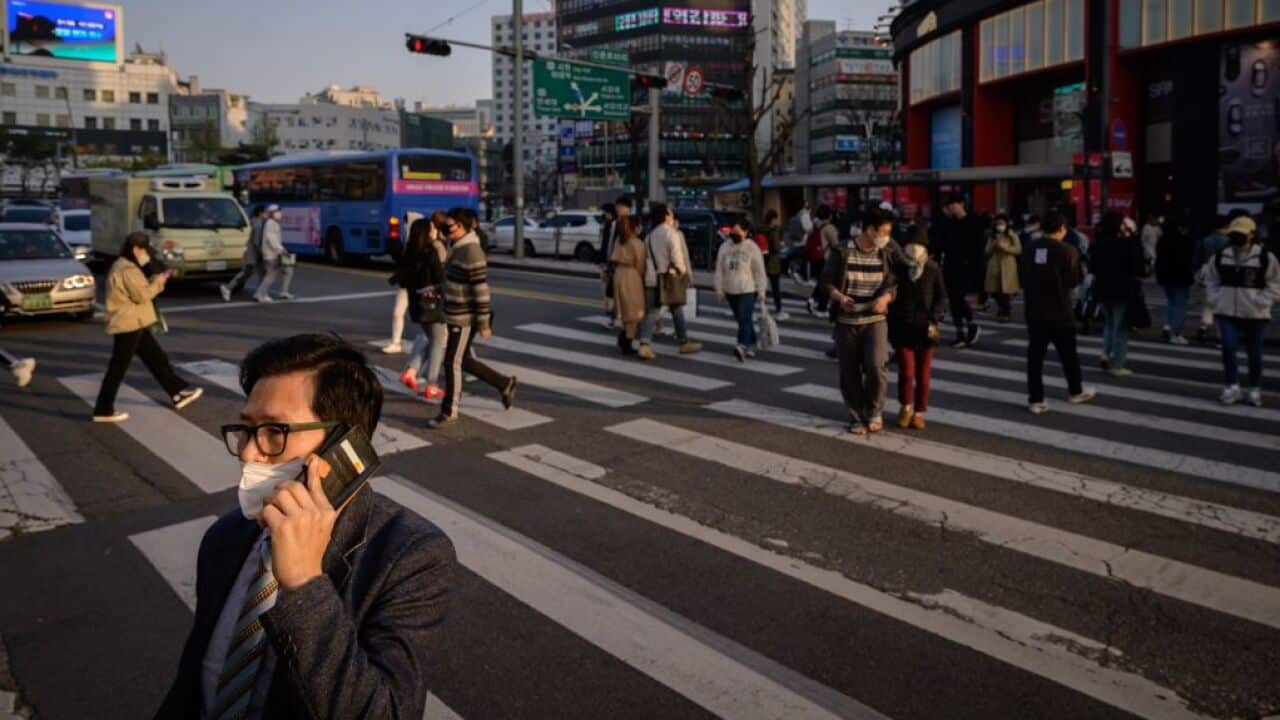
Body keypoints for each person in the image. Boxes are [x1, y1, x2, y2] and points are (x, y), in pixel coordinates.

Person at [153, 334, 455, 719]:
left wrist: (304, 584)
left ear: (346, 446)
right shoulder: (227, 537)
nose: (249, 452)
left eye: (275, 432)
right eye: (247, 428)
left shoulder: (409, 554)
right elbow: (193, 682)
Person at [92, 232, 203, 423]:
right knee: (118, 368)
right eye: (144, 250)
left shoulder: (126, 266)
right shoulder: (127, 269)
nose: (146, 255)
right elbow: (142, 296)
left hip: (135, 322)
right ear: (136, 249)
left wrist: (154, 280)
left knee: (156, 358)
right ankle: (103, 409)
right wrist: (160, 281)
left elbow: (138, 292)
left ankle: (177, 393)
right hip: (129, 324)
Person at [429, 208, 517, 428]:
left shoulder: (471, 252)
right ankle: (504, 383)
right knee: (463, 360)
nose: (446, 230)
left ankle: (449, 412)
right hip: (454, 312)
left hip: (464, 317)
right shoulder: (457, 247)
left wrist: (484, 323)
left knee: (452, 363)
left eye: (450, 226)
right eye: (445, 227)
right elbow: (456, 280)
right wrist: (438, 289)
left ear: (463, 226)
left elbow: (481, 290)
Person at [821, 207, 898, 435]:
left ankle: (874, 411)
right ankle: (856, 414)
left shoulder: (887, 251)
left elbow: (894, 284)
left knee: (876, 366)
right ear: (870, 229)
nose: (886, 237)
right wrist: (840, 297)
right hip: (847, 320)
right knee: (849, 370)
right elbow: (826, 283)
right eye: (883, 232)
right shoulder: (842, 250)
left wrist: (886, 298)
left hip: (875, 318)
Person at [1020, 211, 1096, 414]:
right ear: (1062, 229)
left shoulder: (1029, 248)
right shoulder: (1068, 251)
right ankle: (1075, 391)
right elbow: (1074, 281)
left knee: (1035, 356)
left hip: (1034, 310)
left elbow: (1023, 277)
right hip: (1060, 310)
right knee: (1068, 355)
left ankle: (1036, 399)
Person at [1203, 215, 1280, 407]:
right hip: (1226, 311)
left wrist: (1261, 302)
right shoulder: (1221, 256)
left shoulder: (1265, 257)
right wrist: (1216, 299)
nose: (1236, 237)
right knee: (1228, 349)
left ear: (1252, 235)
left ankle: (1254, 389)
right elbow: (1211, 280)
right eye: (1234, 234)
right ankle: (1232, 386)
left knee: (1255, 354)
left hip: (1255, 314)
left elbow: (1275, 284)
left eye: (1241, 234)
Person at [888, 238, 947, 430]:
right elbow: (889, 292)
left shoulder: (932, 268)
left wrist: (935, 318)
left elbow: (941, 296)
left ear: (924, 249)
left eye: (917, 246)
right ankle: (905, 408)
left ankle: (919, 412)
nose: (913, 251)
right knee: (906, 371)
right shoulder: (898, 266)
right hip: (902, 327)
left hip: (925, 329)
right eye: (910, 247)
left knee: (923, 373)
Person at [635, 203, 702, 360]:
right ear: (666, 216)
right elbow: (677, 257)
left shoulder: (649, 236)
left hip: (652, 277)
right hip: (670, 278)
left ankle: (682, 340)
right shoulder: (671, 234)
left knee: (666, 309)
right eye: (671, 214)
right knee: (668, 309)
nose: (672, 217)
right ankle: (648, 344)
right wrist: (683, 272)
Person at [1087, 212, 1146, 377]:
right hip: (1122, 290)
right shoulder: (1126, 244)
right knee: (1120, 328)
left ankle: (1106, 353)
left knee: (1110, 324)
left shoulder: (1098, 243)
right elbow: (1138, 268)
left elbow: (1092, 267)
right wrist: (1133, 236)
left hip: (1103, 289)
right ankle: (1117, 364)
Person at [399, 213, 450, 400]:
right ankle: (432, 385)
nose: (434, 231)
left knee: (431, 340)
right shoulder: (430, 252)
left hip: (416, 305)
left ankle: (411, 372)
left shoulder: (409, 251)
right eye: (432, 228)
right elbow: (440, 278)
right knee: (438, 344)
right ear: (426, 232)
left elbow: (402, 279)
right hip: (433, 304)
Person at [934, 193, 984, 348]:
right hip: (950, 266)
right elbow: (940, 244)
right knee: (954, 301)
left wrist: (975, 269)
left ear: (962, 204)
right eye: (949, 205)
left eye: (953, 204)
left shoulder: (974, 222)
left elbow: (978, 247)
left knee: (959, 298)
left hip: (966, 268)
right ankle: (961, 332)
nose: (951, 207)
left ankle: (970, 325)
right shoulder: (949, 224)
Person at [716, 217, 769, 362]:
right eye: (733, 231)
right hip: (730, 289)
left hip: (747, 289)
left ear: (746, 232)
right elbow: (719, 270)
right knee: (741, 319)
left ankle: (742, 345)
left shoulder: (752, 247)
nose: (734, 234)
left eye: (738, 232)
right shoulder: (725, 247)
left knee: (745, 317)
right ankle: (752, 342)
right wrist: (719, 290)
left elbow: (759, 271)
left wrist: (762, 290)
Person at [1156, 212, 1196, 344]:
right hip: (1181, 276)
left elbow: (1159, 260)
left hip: (1166, 275)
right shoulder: (1186, 241)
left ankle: (1167, 326)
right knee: (1180, 305)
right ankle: (1176, 333)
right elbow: (1190, 259)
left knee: (1171, 302)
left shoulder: (1162, 240)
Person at [1194, 214, 1233, 345]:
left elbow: (1198, 258)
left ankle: (1203, 327)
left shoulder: (1207, 239)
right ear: (1227, 226)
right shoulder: (1228, 241)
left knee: (1208, 303)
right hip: (1222, 272)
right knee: (1222, 305)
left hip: (1206, 272)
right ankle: (1219, 336)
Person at [610, 215, 646, 355]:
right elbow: (640, 265)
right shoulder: (638, 243)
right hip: (632, 276)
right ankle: (627, 340)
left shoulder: (620, 240)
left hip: (619, 273)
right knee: (635, 309)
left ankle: (625, 336)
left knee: (624, 307)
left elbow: (614, 258)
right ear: (635, 227)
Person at [221, 205, 265, 302]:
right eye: (264, 212)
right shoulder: (258, 224)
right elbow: (257, 242)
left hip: (253, 252)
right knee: (247, 272)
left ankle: (261, 293)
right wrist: (263, 253)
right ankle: (228, 288)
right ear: (261, 213)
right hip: (253, 253)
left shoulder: (254, 221)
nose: (265, 214)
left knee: (258, 272)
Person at [984, 213, 1022, 322]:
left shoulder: (1012, 235)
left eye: (1002, 223)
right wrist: (994, 245)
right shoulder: (992, 235)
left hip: (1008, 266)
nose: (999, 225)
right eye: (998, 223)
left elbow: (1018, 250)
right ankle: (1002, 309)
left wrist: (1006, 248)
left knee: (1005, 292)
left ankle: (1005, 312)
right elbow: (986, 251)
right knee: (994, 291)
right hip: (994, 266)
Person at [805, 205, 839, 315]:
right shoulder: (829, 228)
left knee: (822, 282)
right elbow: (836, 244)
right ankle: (821, 307)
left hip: (815, 257)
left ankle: (813, 300)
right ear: (829, 215)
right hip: (826, 258)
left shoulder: (814, 226)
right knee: (826, 283)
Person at [255, 205, 294, 303]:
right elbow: (271, 239)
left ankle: (284, 292)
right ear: (271, 213)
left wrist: (282, 250)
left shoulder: (274, 223)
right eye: (277, 211)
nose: (279, 213)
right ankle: (260, 294)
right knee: (271, 275)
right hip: (271, 254)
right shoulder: (270, 223)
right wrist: (281, 250)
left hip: (277, 252)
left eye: (279, 211)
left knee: (288, 269)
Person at [760, 209, 787, 319]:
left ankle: (761, 306)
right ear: (773, 219)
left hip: (763, 260)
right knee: (775, 287)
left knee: (761, 285)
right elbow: (776, 247)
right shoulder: (774, 231)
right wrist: (782, 246)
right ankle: (778, 308)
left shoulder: (763, 230)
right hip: (773, 262)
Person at [598, 202, 618, 327]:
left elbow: (608, 246)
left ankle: (612, 317)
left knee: (612, 292)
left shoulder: (614, 226)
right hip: (607, 263)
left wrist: (607, 263)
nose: (604, 215)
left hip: (611, 264)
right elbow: (603, 245)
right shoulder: (607, 225)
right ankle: (612, 317)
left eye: (605, 212)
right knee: (610, 292)